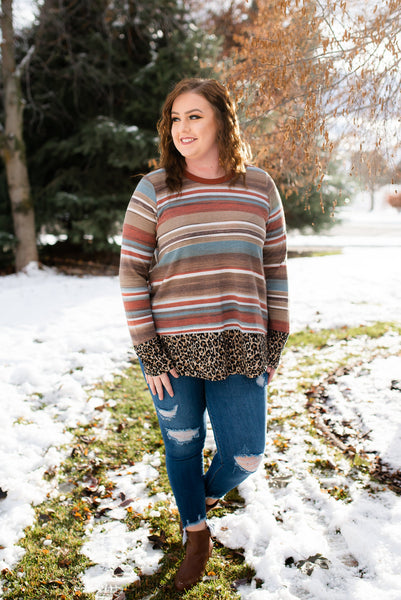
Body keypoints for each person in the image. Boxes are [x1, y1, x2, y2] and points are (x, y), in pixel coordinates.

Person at [119, 78, 289, 591]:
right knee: (183, 442)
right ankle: (196, 534)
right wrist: (149, 351)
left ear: (222, 121)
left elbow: (275, 268)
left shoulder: (259, 187)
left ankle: (199, 498)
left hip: (241, 343)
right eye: (175, 118)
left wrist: (276, 337)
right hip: (169, 348)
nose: (182, 128)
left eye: (194, 116)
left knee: (246, 453)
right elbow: (132, 273)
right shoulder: (154, 189)